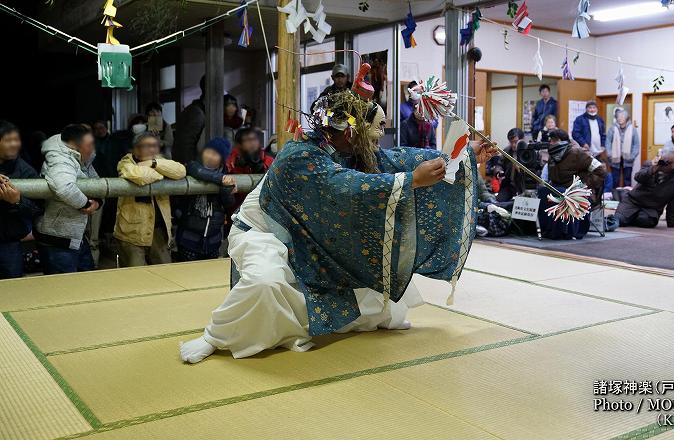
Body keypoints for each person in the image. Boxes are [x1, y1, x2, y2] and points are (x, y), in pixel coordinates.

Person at [180, 89, 495, 364]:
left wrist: (463, 156)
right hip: (266, 231)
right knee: (266, 283)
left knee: (375, 286)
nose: (380, 135)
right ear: (349, 131)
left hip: (310, 237)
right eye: (377, 127)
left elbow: (400, 158)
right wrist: (410, 180)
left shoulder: (351, 151)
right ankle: (214, 336)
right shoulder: (299, 154)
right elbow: (341, 185)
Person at [34, 125, 101, 274]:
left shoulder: (81, 155)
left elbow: (96, 182)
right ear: (76, 144)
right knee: (63, 289)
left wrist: (97, 202)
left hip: (76, 236)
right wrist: (85, 204)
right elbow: (64, 188)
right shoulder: (59, 160)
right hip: (58, 239)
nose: (92, 148)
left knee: (87, 282)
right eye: (89, 144)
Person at [115, 132, 186, 266]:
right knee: (135, 278)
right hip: (132, 233)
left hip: (160, 230)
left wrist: (152, 163)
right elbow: (139, 176)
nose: (152, 149)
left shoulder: (158, 161)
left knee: (164, 275)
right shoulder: (125, 162)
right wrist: (161, 174)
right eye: (147, 146)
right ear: (135, 148)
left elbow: (181, 171)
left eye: (155, 145)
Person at [538, 129, 606, 239]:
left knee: (560, 193)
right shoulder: (553, 156)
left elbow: (601, 170)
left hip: (578, 191)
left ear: (563, 141)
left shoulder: (578, 153)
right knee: (542, 191)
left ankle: (565, 232)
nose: (551, 143)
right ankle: (547, 230)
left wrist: (582, 186)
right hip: (559, 188)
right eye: (551, 140)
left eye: (555, 140)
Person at [176, 138, 235, 261]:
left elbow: (229, 203)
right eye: (207, 152)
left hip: (213, 240)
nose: (209, 156)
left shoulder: (226, 174)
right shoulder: (193, 166)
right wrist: (221, 179)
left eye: (214, 154)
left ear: (221, 159)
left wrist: (226, 187)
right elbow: (198, 172)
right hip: (189, 239)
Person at [0, 121, 43, 278]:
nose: (14, 144)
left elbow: (38, 208)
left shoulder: (26, 170)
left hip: (8, 243)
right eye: (8, 140)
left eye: (16, 139)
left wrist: (17, 201)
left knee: (12, 288)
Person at [615, 149, 674, 228]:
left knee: (645, 221)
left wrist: (672, 223)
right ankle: (628, 217)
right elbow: (638, 177)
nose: (663, 165)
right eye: (661, 161)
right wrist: (652, 169)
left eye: (668, 163)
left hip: (652, 208)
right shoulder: (649, 165)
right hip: (633, 201)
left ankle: (632, 218)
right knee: (619, 220)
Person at [172, 75, 207, 164]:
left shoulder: (197, 109)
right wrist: (189, 165)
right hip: (189, 163)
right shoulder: (197, 112)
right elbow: (186, 142)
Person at [486, 128, 524, 201]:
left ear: (522, 140)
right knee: (498, 203)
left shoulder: (528, 152)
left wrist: (519, 169)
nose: (513, 145)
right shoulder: (507, 150)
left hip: (522, 186)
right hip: (508, 185)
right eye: (511, 142)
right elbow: (499, 165)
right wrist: (498, 172)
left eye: (516, 142)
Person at [605, 108, 639, 188]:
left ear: (626, 118)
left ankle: (626, 198)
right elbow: (608, 142)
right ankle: (615, 198)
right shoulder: (612, 128)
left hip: (628, 159)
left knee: (627, 180)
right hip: (614, 159)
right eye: (618, 117)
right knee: (615, 180)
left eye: (622, 117)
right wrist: (609, 154)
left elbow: (636, 144)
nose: (620, 118)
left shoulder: (632, 129)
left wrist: (633, 156)